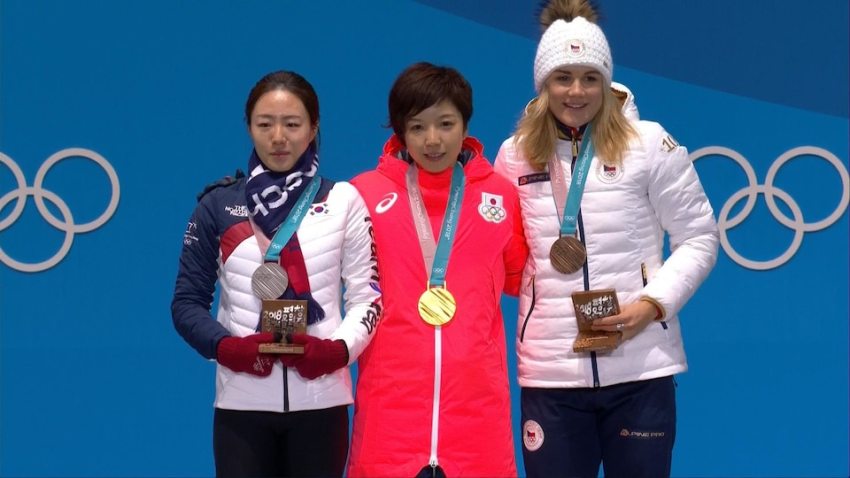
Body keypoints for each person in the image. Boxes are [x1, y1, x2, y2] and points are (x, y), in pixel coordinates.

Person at [493, 1, 720, 477]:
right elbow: (501, 255)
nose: (576, 91)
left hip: (639, 370)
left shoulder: (648, 144)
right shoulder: (515, 156)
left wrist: (653, 304)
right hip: (551, 373)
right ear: (543, 83)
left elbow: (699, 237)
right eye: (563, 77)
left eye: (589, 77)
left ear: (607, 81)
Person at [171, 70, 381, 478]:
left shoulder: (343, 201)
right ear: (249, 127)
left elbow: (367, 297)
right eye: (265, 124)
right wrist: (228, 348)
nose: (278, 137)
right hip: (240, 403)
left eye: (292, 124)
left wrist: (337, 352)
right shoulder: (217, 205)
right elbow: (185, 304)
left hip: (322, 401)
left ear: (314, 127)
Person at [347, 62, 528, 478]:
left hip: (476, 414)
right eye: (417, 127)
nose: (433, 140)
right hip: (390, 413)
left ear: (466, 125)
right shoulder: (362, 195)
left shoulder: (500, 196)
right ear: (399, 133)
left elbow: (526, 281)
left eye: (446, 123)